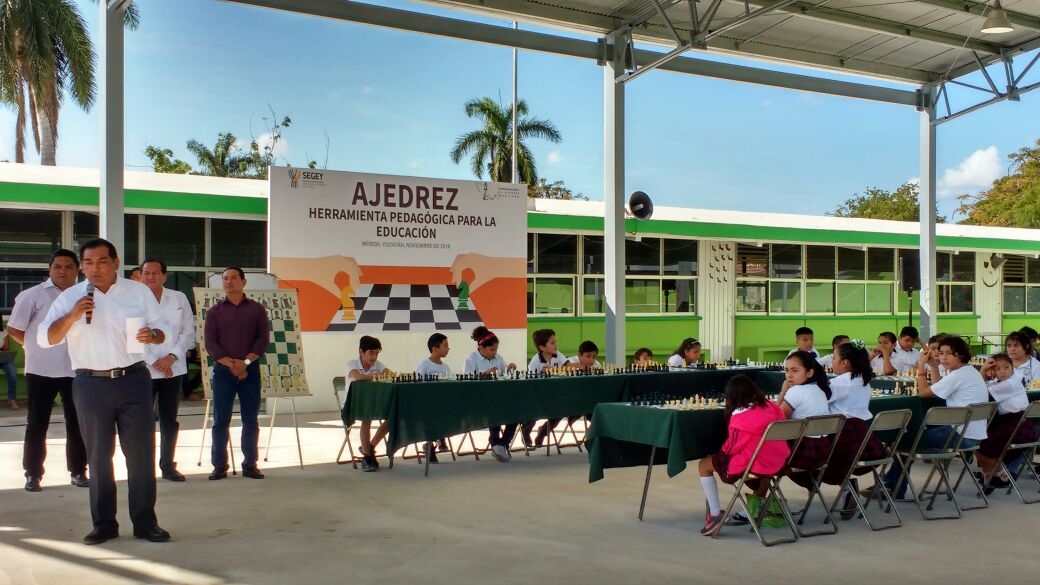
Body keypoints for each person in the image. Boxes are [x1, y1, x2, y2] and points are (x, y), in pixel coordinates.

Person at [38, 238, 170, 544]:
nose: (94, 269)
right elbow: (47, 338)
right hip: (90, 384)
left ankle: (145, 522)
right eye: (88, 263)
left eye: (101, 262)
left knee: (140, 456)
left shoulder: (138, 292)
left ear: (116, 263)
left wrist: (153, 335)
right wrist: (72, 315)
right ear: (82, 266)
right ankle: (104, 524)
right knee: (98, 457)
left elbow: (163, 327)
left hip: (134, 380)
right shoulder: (71, 297)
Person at [7, 249, 89, 492]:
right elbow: (14, 329)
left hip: (77, 370)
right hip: (41, 369)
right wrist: (33, 346)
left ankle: (78, 471)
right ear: (50, 269)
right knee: (37, 423)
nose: (63, 271)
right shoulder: (31, 296)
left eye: (68, 267)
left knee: (77, 423)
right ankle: (33, 474)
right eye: (58, 267)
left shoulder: (87, 295)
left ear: (77, 270)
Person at [879, 335, 989, 499]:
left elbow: (924, 393)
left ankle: (892, 487)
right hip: (973, 435)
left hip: (958, 434)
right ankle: (890, 484)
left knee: (903, 439)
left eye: (948, 353)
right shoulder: (969, 372)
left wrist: (922, 366)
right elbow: (939, 392)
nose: (942, 357)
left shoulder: (957, 375)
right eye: (941, 353)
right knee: (914, 434)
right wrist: (933, 366)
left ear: (960, 355)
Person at [697, 374, 790, 535]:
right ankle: (758, 505)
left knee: (703, 465)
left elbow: (730, 448)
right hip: (778, 460)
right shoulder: (771, 406)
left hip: (753, 463)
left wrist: (719, 456)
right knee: (762, 469)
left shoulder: (740, 416)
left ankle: (714, 514)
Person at [204, 267, 269, 481]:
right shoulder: (214, 312)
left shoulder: (257, 310)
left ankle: (250, 465)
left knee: (250, 419)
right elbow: (210, 343)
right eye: (225, 279)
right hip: (223, 372)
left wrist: (245, 362)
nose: (229, 282)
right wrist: (232, 364)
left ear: (244, 281)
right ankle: (219, 466)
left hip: (251, 370)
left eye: (233, 278)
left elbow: (262, 340)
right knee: (220, 420)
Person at [140, 259, 196, 482]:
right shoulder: (134, 301)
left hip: (174, 369)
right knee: (142, 421)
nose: (150, 277)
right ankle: (144, 468)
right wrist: (155, 361)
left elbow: (188, 332)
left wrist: (171, 358)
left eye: (155, 273)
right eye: (146, 273)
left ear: (165, 275)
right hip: (145, 369)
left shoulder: (179, 298)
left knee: (169, 420)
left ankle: (168, 465)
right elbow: (134, 336)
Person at [824, 340, 887, 515]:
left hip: (843, 440)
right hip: (866, 439)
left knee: (813, 454)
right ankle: (846, 488)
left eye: (834, 358)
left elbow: (819, 401)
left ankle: (846, 488)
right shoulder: (863, 380)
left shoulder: (840, 382)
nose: (832, 361)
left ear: (845, 362)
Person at [975, 353, 1036, 491]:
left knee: (977, 440)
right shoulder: (997, 382)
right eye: (997, 369)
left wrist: (982, 371)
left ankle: (996, 473)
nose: (1002, 371)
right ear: (993, 371)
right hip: (1013, 425)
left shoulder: (1012, 382)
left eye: (1006, 367)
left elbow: (981, 392)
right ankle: (993, 473)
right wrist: (985, 373)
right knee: (979, 438)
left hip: (1018, 427)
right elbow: (984, 387)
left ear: (1012, 368)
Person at [777, 350, 833, 489]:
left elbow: (777, 418)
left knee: (760, 452)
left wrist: (783, 390)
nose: (789, 375)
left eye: (794, 371)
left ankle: (762, 500)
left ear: (809, 373)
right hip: (823, 452)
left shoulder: (796, 391)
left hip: (802, 452)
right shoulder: (820, 390)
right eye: (786, 370)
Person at [463, 326, 517, 462]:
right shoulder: (471, 359)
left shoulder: (498, 358)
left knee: (516, 412)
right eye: (492, 350)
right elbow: (465, 381)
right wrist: (484, 374)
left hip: (498, 398)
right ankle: (495, 442)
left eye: (496, 349)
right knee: (495, 410)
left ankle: (502, 444)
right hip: (479, 400)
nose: (495, 353)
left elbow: (505, 372)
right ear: (481, 347)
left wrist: (510, 367)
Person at [346, 335, 393, 471]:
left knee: (393, 416)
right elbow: (358, 377)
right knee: (367, 419)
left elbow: (390, 374)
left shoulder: (378, 365)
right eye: (371, 353)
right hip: (353, 405)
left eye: (377, 353)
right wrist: (379, 376)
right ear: (361, 352)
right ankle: (367, 457)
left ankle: (370, 446)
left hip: (372, 403)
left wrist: (382, 374)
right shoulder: (352, 364)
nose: (374, 357)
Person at [526, 328, 569, 446]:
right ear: (542, 347)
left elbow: (571, 368)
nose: (556, 345)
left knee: (560, 411)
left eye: (555, 342)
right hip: (538, 396)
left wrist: (555, 370)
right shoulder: (535, 361)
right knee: (532, 412)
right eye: (552, 343)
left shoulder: (558, 355)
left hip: (555, 396)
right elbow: (530, 382)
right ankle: (526, 432)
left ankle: (543, 432)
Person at [415, 333, 451, 462]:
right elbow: (417, 386)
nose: (448, 348)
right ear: (435, 348)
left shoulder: (446, 368)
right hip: (426, 402)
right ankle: (437, 441)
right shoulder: (424, 365)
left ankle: (431, 444)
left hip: (441, 403)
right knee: (434, 413)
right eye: (445, 345)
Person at [1, 313, 17, 408]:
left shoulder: (4, 332)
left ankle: (11, 399)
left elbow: (7, 349)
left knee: (12, 372)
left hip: (3, 359)